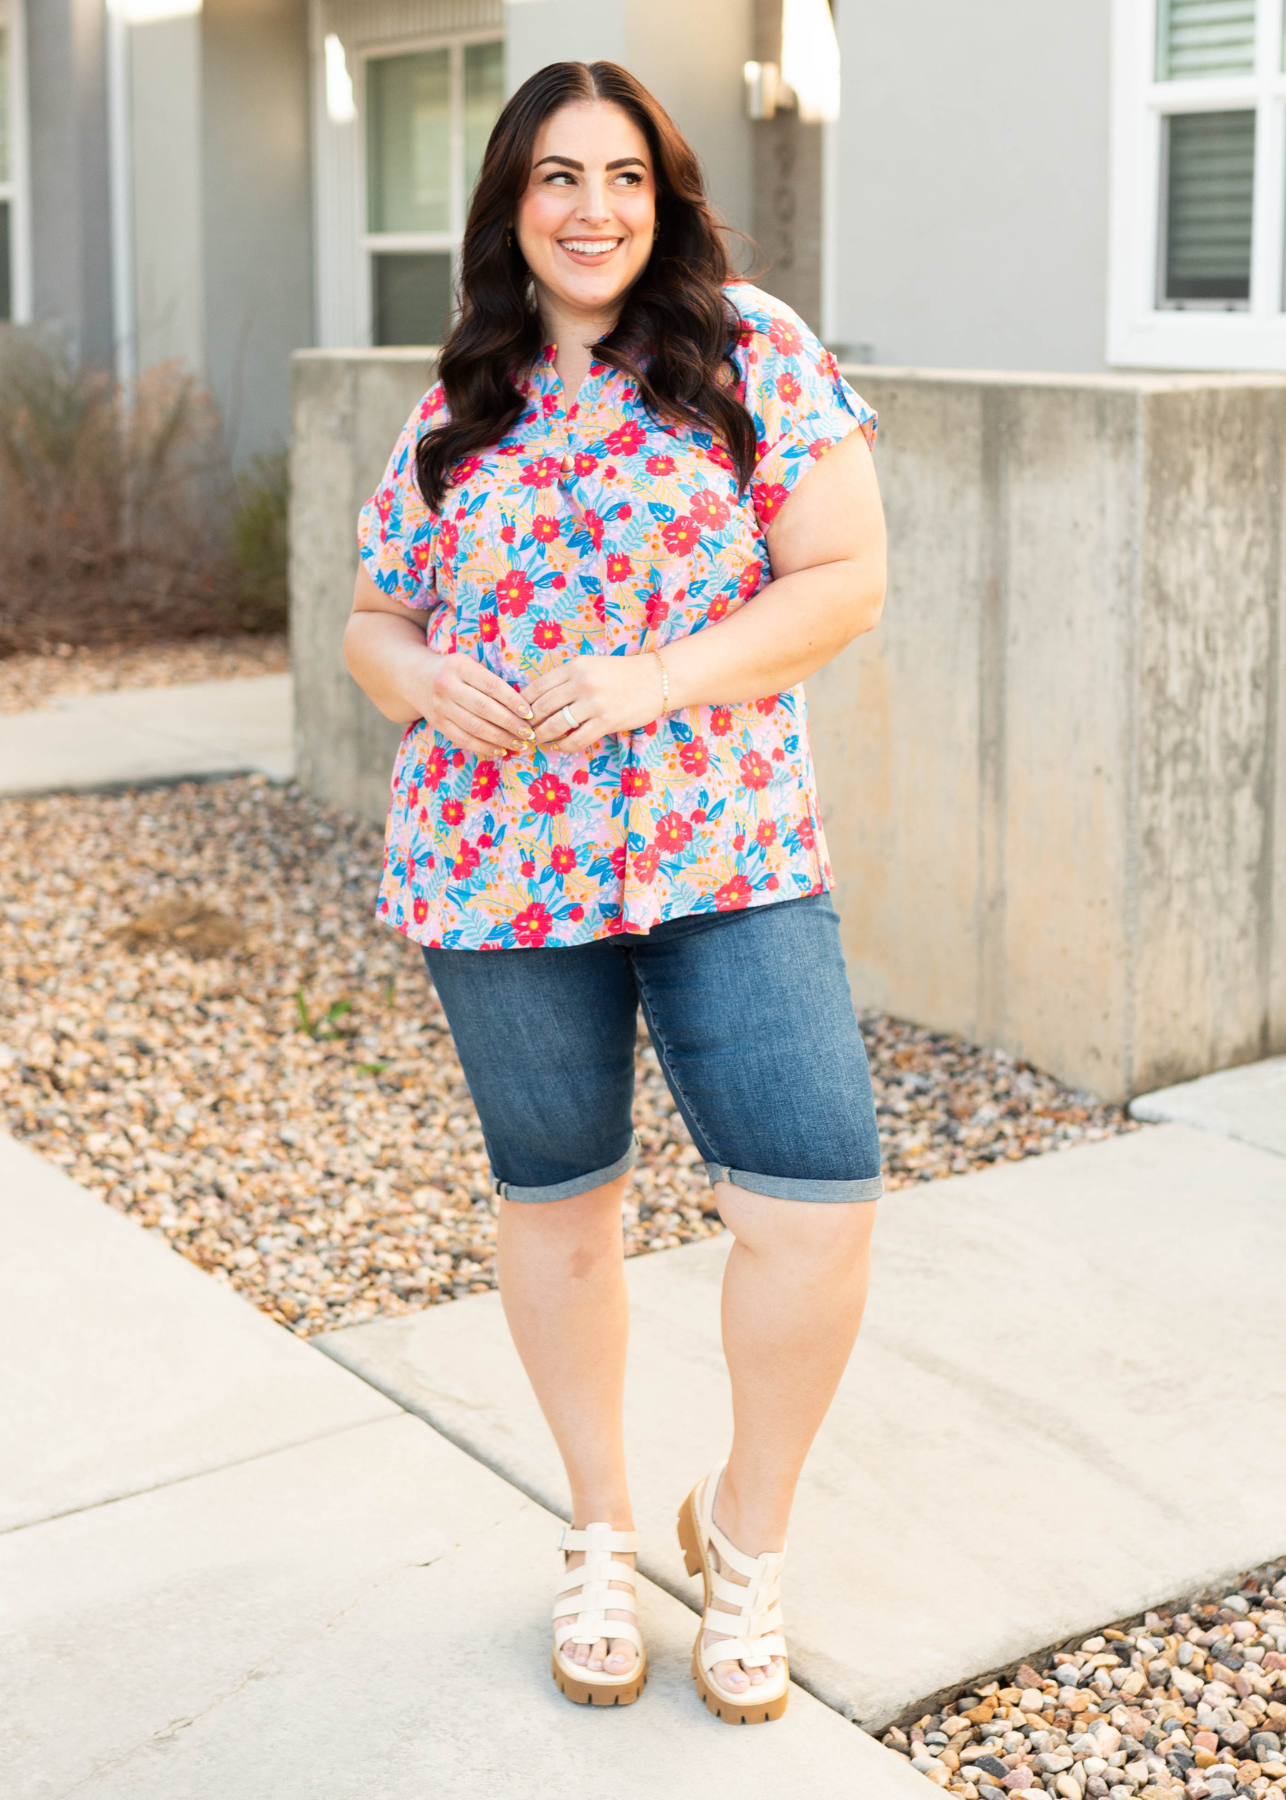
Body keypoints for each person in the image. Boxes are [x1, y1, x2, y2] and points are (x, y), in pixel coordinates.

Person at [344, 59, 887, 1725]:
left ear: (665, 196)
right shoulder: (461, 402)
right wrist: (423, 685)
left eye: (625, 175)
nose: (593, 208)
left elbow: (845, 581)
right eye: (557, 177)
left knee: (812, 1200)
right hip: (496, 877)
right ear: (511, 203)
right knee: (560, 1203)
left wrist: (648, 681)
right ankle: (594, 1533)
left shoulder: (749, 346)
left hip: (727, 855)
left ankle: (744, 1539)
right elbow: (375, 621)